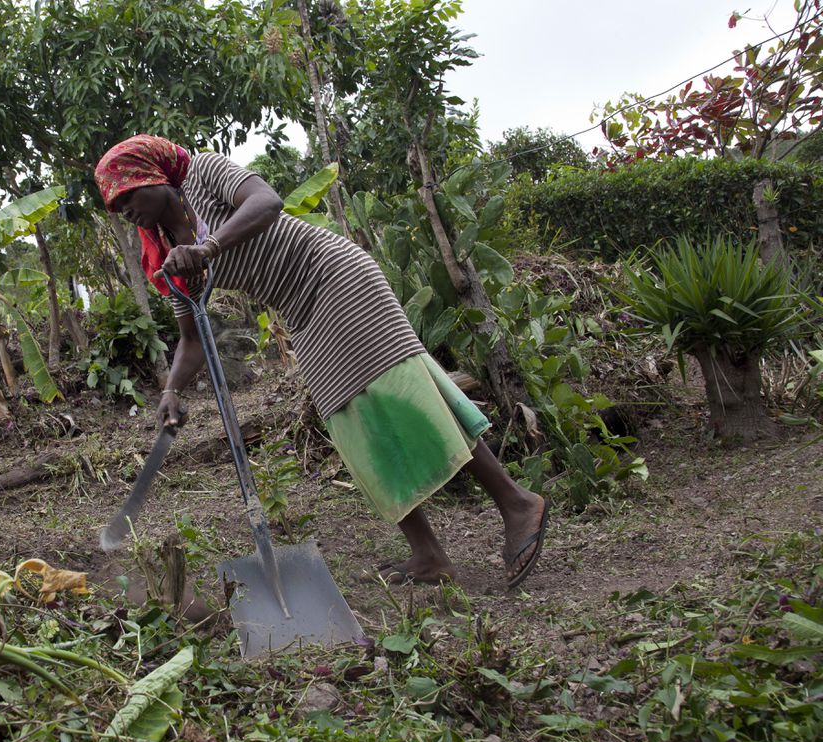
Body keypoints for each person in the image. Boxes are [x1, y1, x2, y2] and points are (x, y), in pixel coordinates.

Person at [94, 134, 549, 587]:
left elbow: (267, 202)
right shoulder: (165, 255)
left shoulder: (203, 173)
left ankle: (516, 503)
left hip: (334, 276)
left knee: (405, 391)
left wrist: (208, 248)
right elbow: (192, 338)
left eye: (128, 195)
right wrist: (171, 390)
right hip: (299, 310)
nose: (124, 209)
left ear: (154, 177)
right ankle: (428, 553)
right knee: (352, 423)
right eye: (116, 205)